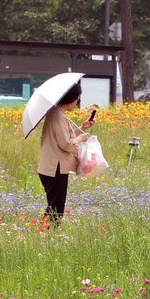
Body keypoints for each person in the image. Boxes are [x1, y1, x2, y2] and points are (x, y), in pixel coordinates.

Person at [36, 81, 95, 223]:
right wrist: (80, 139)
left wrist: (82, 128)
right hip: (55, 168)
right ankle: (48, 232)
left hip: (50, 167)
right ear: (71, 98)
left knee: (53, 206)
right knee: (56, 209)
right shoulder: (58, 116)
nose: (77, 103)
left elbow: (64, 137)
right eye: (77, 99)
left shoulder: (57, 113)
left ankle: (44, 230)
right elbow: (65, 143)